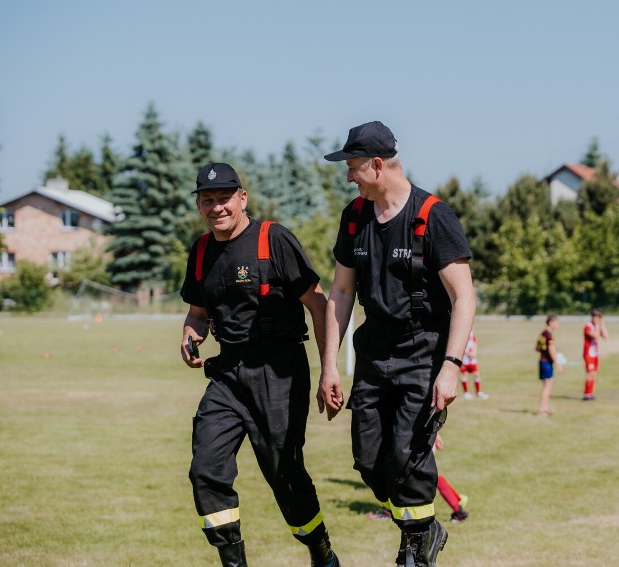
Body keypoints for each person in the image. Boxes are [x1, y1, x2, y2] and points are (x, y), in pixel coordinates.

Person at [319, 121, 476, 566]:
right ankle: (425, 532)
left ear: (377, 165)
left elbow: (464, 296)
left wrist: (451, 366)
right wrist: (330, 366)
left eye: (353, 168)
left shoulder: (432, 216)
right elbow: (342, 293)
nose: (349, 177)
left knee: (407, 457)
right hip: (373, 357)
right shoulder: (354, 217)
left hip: (423, 356)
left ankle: (414, 551)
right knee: (369, 460)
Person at [180, 163, 339, 567]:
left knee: (284, 476)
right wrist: (191, 332)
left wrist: (329, 370)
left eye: (224, 199)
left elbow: (318, 304)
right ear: (199, 205)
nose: (216, 207)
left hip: (279, 373)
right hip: (228, 375)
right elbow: (199, 312)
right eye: (208, 200)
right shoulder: (200, 251)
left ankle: (321, 553)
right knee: (205, 470)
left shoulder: (274, 239)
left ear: (242, 198)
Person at [368, 433, 469, 524]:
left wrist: (435, 432)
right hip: (417, 435)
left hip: (415, 438)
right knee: (427, 476)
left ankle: (458, 509)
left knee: (400, 473)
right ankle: (457, 506)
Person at [535, 314, 562, 416]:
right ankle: (541, 410)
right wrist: (557, 363)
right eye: (557, 322)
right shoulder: (549, 335)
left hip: (541, 361)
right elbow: (552, 350)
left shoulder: (542, 334)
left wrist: (543, 352)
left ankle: (545, 408)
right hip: (546, 363)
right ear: (551, 322)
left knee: (546, 385)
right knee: (547, 386)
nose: (558, 325)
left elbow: (537, 348)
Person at [582, 308, 609, 400]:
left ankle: (590, 393)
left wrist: (602, 324)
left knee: (594, 373)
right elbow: (596, 335)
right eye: (597, 318)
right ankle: (586, 394)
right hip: (588, 354)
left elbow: (606, 336)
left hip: (595, 354)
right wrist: (597, 325)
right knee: (590, 373)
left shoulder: (597, 325)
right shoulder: (588, 326)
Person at [460, 328, 489, 400]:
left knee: (477, 374)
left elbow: (475, 342)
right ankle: (466, 393)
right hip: (464, 359)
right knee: (464, 375)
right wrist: (468, 353)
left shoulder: (472, 332)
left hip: (472, 359)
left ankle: (478, 392)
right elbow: (460, 345)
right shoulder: (462, 332)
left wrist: (474, 353)